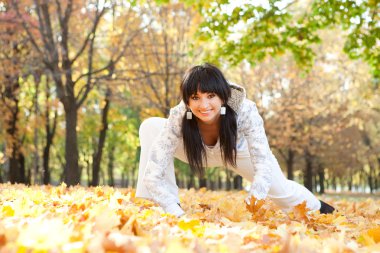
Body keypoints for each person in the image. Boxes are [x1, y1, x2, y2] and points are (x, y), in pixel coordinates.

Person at [135, 63, 335, 217]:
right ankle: (159, 202)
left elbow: (263, 161)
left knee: (281, 191)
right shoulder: (179, 114)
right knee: (150, 125)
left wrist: (254, 201)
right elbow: (152, 175)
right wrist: (172, 210)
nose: (203, 105)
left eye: (211, 96)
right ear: (187, 100)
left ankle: (322, 209)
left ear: (223, 96)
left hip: (239, 152)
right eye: (195, 98)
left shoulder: (245, 110)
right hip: (195, 150)